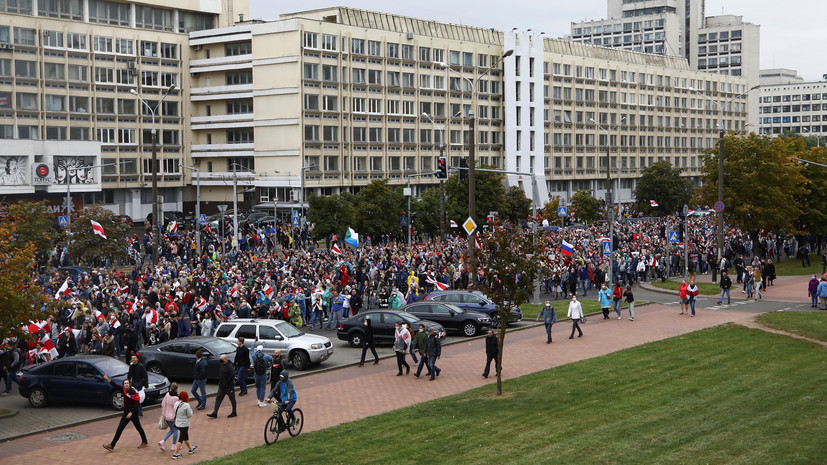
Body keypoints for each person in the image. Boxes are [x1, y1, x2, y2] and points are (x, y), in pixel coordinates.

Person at [102, 374, 148, 451]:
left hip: (133, 413)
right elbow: (115, 385)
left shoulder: (133, 392)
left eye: (127, 383)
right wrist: (108, 379)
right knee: (120, 429)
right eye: (125, 383)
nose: (126, 384)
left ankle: (145, 442)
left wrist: (131, 413)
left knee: (138, 428)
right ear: (123, 385)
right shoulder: (123, 389)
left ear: (129, 384)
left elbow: (136, 404)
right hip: (126, 413)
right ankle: (112, 445)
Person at [207, 354, 237, 418]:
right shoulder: (222, 365)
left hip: (229, 387)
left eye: (222, 359)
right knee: (218, 398)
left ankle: (234, 412)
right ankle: (215, 412)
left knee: (232, 399)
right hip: (221, 386)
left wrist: (226, 383)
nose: (220, 360)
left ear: (225, 359)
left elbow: (232, 376)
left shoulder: (229, 366)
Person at [171, 391, 197, 459]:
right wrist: (191, 411)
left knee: (185, 437)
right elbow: (189, 415)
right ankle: (175, 454)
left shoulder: (176, 403)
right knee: (181, 439)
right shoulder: (186, 405)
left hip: (177, 423)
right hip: (184, 424)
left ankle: (191, 448)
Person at [158, 382, 179, 451]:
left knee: (172, 430)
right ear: (176, 389)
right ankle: (173, 445)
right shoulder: (176, 398)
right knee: (175, 430)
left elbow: (163, 403)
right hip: (173, 417)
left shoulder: (167, 395)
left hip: (166, 416)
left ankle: (163, 441)